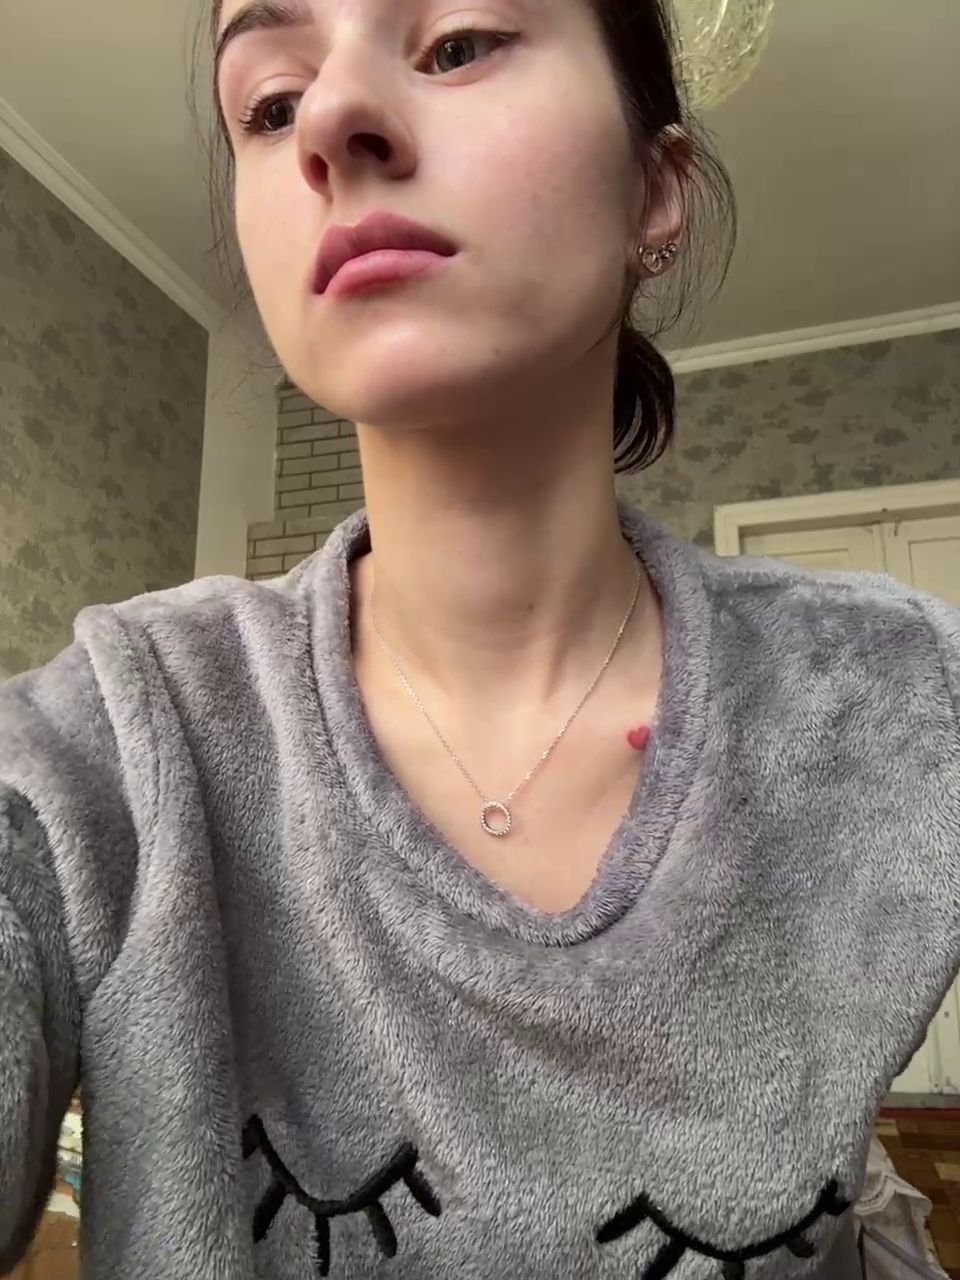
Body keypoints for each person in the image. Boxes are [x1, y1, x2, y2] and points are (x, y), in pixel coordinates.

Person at [1, 0, 958, 1276]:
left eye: (458, 41)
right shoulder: (119, 731)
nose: (331, 120)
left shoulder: (900, 693)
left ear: (655, 189)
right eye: (270, 104)